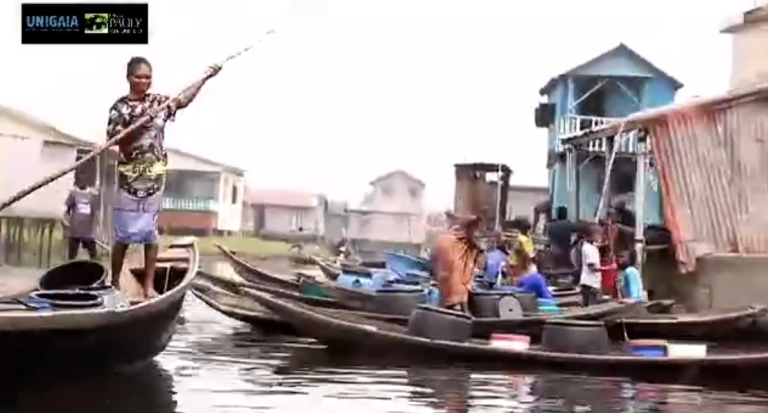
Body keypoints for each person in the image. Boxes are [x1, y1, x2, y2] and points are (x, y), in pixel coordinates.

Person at [106, 56, 221, 298]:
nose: (144, 81)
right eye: (139, 77)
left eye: (148, 77)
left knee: (150, 234)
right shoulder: (120, 108)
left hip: (154, 176)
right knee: (124, 234)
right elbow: (116, 140)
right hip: (130, 177)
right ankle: (114, 282)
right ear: (129, 78)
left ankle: (148, 286)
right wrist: (139, 123)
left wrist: (205, 79)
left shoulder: (158, 102)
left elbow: (182, 100)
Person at [433, 212, 484, 313]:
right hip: (453, 297)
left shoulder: (468, 247)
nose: (479, 234)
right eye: (476, 229)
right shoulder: (450, 243)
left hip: (458, 295)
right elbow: (445, 273)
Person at [64, 182, 98, 260]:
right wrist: (67, 223)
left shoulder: (92, 195)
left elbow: (94, 212)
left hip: (86, 230)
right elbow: (66, 211)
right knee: (73, 254)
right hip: (77, 229)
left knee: (93, 254)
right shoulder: (73, 194)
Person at [579, 224, 603, 306]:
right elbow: (593, 267)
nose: (600, 237)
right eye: (598, 235)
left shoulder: (588, 246)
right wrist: (608, 268)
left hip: (589, 283)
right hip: (590, 284)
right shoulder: (590, 249)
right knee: (591, 306)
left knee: (588, 304)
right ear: (589, 236)